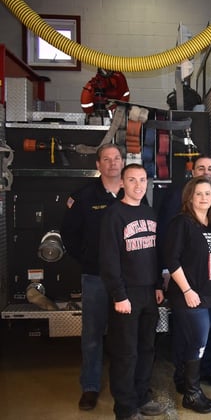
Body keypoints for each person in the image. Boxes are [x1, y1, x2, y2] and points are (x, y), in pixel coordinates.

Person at [99, 163, 167, 420]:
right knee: (125, 353)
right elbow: (109, 259)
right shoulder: (113, 215)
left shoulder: (150, 213)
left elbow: (155, 254)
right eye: (132, 180)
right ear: (122, 184)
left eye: (142, 180)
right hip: (126, 295)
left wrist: (158, 286)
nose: (138, 185)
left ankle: (141, 396)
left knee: (146, 349)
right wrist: (119, 295)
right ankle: (125, 409)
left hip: (149, 292)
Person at [61, 143, 125, 411]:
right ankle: (90, 387)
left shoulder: (133, 191)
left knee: (124, 336)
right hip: (96, 277)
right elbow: (69, 235)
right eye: (106, 159)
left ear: (123, 162)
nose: (112, 163)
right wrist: (88, 258)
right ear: (98, 165)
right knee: (92, 335)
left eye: (117, 158)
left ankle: (126, 385)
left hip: (126, 280)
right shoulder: (83, 196)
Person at [156, 156, 211, 391]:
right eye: (199, 194)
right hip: (190, 294)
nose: (204, 198)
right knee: (195, 341)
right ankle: (191, 391)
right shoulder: (181, 223)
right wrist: (186, 290)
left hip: (210, 294)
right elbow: (172, 259)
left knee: (198, 342)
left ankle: (189, 384)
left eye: (208, 194)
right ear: (190, 197)